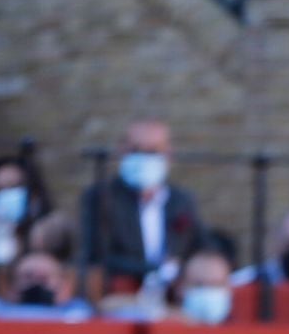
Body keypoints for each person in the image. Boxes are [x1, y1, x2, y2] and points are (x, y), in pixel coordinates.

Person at [79, 119, 203, 288]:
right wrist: (157, 269)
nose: (144, 157)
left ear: (168, 155)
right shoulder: (101, 198)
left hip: (174, 293)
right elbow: (97, 255)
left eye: (153, 151)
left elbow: (200, 244)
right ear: (122, 151)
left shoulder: (181, 200)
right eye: (136, 150)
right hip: (122, 292)